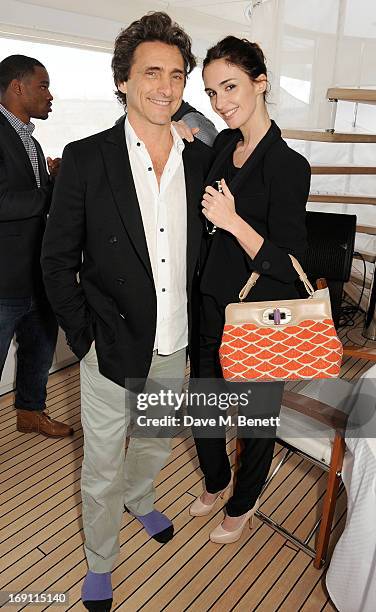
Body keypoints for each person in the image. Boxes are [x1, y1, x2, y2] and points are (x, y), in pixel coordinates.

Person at [41, 12, 213, 611]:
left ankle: (143, 500)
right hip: (109, 345)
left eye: (176, 75)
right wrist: (84, 337)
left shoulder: (200, 158)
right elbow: (56, 260)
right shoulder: (86, 158)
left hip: (178, 340)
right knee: (103, 462)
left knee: (157, 441)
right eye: (151, 73)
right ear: (123, 81)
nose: (165, 87)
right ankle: (99, 559)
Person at [187, 36, 311, 543]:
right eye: (212, 92)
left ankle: (244, 499)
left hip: (264, 310)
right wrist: (184, 126)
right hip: (212, 296)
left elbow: (292, 263)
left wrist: (235, 222)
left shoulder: (289, 166)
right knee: (204, 400)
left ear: (261, 83)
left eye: (231, 86)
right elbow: (198, 132)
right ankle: (217, 480)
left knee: (257, 415)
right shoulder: (221, 145)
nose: (221, 103)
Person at [0, 54, 73, 438]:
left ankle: (30, 412)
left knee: (40, 348)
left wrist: (52, 178)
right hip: (3, 279)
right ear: (18, 87)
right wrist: (53, 190)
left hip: (36, 273)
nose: (50, 95)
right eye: (43, 85)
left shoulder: (31, 139)